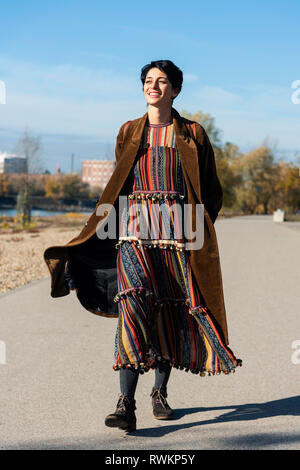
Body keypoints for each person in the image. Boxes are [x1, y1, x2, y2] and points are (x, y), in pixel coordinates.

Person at [43, 59, 242, 434]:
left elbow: (211, 191)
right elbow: (119, 184)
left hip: (177, 237)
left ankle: (160, 393)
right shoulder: (128, 130)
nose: (154, 86)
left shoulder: (193, 133)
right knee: (134, 307)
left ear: (175, 90)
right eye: (149, 81)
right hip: (134, 234)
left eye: (162, 81)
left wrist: (196, 229)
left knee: (167, 312)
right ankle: (125, 404)